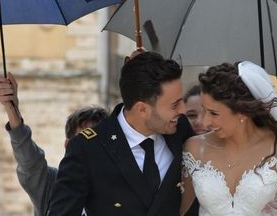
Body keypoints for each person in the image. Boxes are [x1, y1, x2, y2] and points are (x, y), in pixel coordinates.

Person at [47, 51, 198, 216]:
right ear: (142, 109)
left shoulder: (180, 129)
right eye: (174, 104)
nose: (183, 110)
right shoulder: (87, 149)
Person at [180, 61, 277, 216]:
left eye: (214, 113)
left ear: (242, 113)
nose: (205, 122)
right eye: (204, 110)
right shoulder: (194, 148)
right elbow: (175, 210)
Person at [0, 73, 108, 216]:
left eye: (97, 143)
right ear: (68, 146)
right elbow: (30, 162)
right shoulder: (52, 184)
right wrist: (12, 109)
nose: (90, 151)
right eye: (83, 142)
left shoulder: (122, 187)